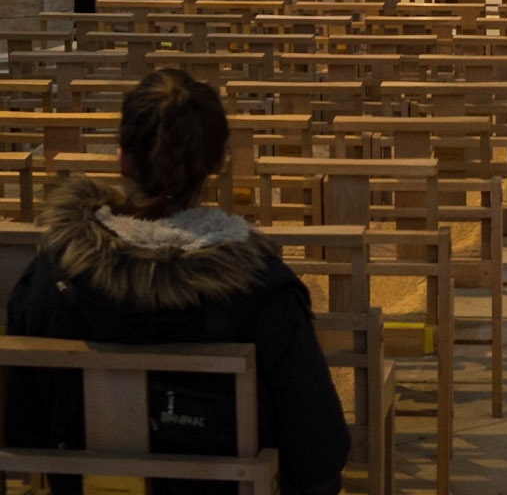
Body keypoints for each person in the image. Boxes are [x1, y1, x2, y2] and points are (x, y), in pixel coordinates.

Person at [5, 66, 350, 495]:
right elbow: (318, 454)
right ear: (220, 161)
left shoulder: (50, 278)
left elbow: (17, 425)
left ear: (123, 159)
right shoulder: (262, 292)